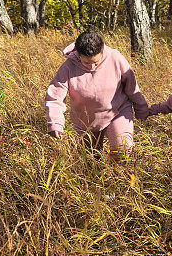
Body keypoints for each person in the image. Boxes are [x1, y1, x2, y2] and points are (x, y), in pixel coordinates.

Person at [45, 29, 148, 162]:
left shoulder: (115, 58)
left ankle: (118, 178)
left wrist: (142, 108)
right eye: (86, 63)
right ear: (78, 54)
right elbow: (55, 96)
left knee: (122, 149)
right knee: (90, 158)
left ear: (102, 52)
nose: (92, 67)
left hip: (117, 111)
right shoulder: (68, 67)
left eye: (96, 62)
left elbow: (132, 87)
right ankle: (97, 179)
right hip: (86, 119)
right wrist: (55, 123)